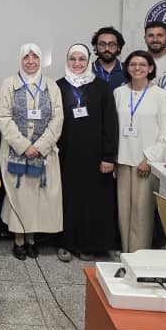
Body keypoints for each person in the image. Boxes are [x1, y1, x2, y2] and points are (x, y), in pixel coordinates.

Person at [0, 43, 64, 261]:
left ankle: (32, 239)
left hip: (44, 154)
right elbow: (4, 117)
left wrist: (40, 146)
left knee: (38, 197)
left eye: (35, 56)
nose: (31, 61)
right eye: (26, 57)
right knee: (19, 197)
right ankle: (19, 240)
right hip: (16, 152)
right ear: (20, 60)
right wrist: (24, 146)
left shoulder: (51, 86)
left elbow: (57, 119)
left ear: (40, 60)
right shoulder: (9, 84)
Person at [56, 44, 119, 261]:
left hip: (95, 156)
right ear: (67, 61)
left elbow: (110, 123)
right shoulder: (58, 86)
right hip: (66, 155)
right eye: (72, 59)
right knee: (68, 199)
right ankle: (66, 243)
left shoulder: (101, 87)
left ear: (88, 61)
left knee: (92, 201)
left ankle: (88, 245)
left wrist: (108, 156)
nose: (77, 63)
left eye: (81, 59)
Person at [114, 51, 166, 253]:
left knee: (142, 211)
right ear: (127, 68)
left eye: (142, 64)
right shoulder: (119, 92)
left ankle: (139, 255)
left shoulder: (160, 95)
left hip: (146, 161)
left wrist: (148, 159)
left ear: (150, 68)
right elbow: (113, 127)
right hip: (123, 159)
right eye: (133, 64)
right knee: (124, 210)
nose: (137, 68)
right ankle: (126, 253)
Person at [91, 26, 126, 90]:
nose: (107, 49)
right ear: (95, 47)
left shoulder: (128, 70)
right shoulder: (87, 70)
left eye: (112, 45)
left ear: (119, 47)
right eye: (102, 44)